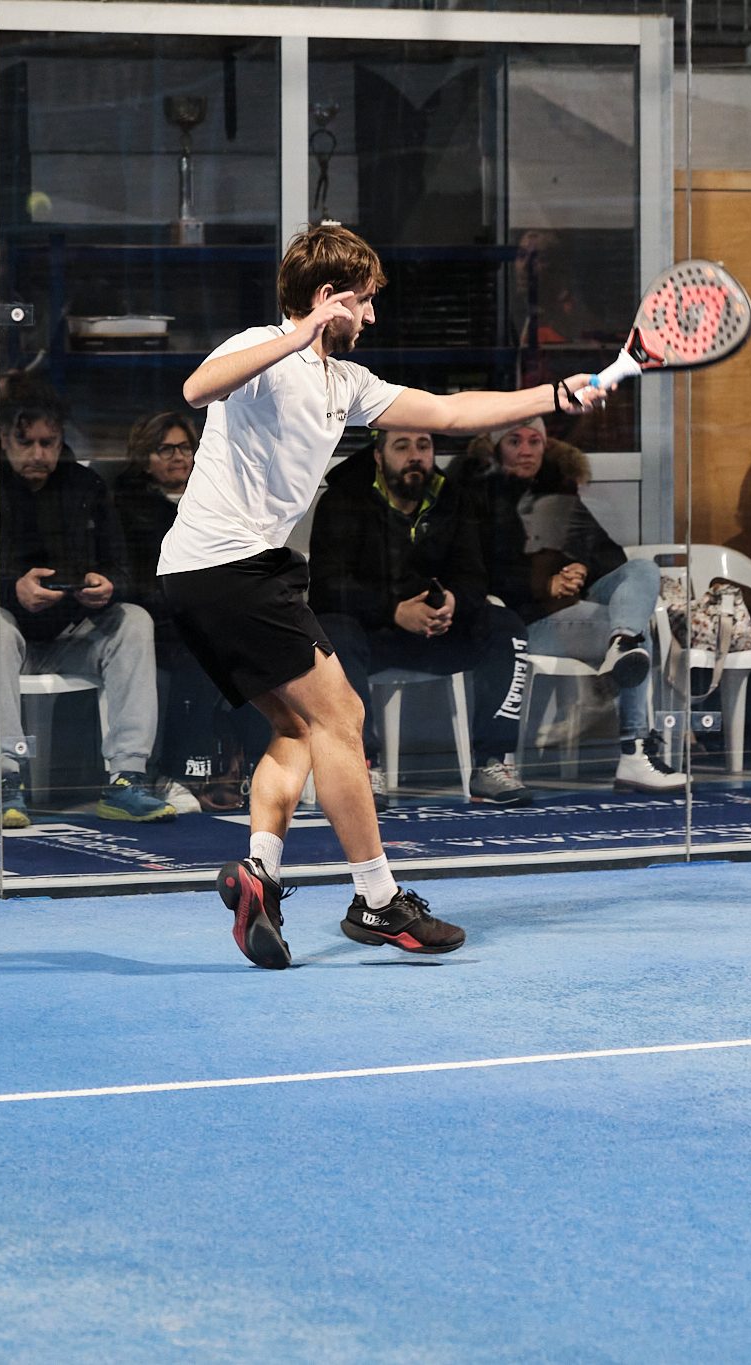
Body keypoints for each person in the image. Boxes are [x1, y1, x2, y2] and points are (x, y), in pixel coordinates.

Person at [156, 223, 609, 970]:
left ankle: (259, 873)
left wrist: (554, 394)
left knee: (298, 728)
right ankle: (376, 898)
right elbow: (196, 388)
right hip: (228, 568)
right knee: (343, 716)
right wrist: (298, 333)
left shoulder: (348, 383)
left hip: (212, 573)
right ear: (328, 298)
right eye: (362, 301)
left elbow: (452, 412)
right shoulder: (264, 349)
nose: (371, 316)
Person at [0, 376, 174, 829]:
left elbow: (123, 571)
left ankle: (127, 777)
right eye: (26, 443)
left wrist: (107, 586)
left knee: (134, 619)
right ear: (4, 439)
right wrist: (11, 590)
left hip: (64, 636)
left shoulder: (84, 487)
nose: (38, 454)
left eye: (48, 443)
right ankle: (5, 782)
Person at [309, 428, 536, 810]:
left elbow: (474, 576)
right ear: (378, 456)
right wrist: (394, 611)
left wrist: (453, 602)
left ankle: (491, 762)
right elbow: (328, 587)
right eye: (402, 446)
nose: (415, 455)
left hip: (434, 631)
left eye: (424, 446)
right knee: (333, 634)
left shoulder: (452, 498)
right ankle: (362, 764)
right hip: (371, 634)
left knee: (506, 627)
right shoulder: (343, 499)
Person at [453, 416, 677, 792]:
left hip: (575, 609)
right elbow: (481, 572)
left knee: (641, 570)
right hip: (525, 620)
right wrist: (546, 584)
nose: (526, 450)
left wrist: (580, 568)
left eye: (534, 441)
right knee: (640, 635)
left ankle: (621, 643)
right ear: (496, 448)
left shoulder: (558, 490)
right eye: (514, 441)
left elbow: (609, 555)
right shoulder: (479, 498)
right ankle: (634, 752)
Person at [110, 410, 259, 813]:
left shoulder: (215, 499)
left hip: (212, 613)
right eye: (165, 450)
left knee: (262, 645)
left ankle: (256, 769)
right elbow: (136, 582)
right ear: (144, 458)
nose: (179, 457)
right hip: (159, 621)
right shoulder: (126, 508)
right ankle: (179, 774)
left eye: (185, 448)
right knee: (199, 652)